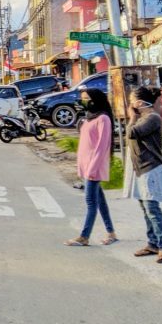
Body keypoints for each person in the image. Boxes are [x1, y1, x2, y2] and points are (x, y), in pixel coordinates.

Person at [123, 87, 162, 263]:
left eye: (132, 101)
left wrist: (131, 117)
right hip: (140, 169)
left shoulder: (152, 118)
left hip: (151, 167)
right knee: (145, 209)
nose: (130, 104)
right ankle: (152, 243)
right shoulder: (143, 118)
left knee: (152, 209)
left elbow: (131, 133)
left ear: (140, 102)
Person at [65, 88, 118, 246]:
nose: (83, 101)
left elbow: (102, 147)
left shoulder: (103, 119)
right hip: (86, 166)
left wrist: (92, 170)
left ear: (95, 99)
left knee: (90, 202)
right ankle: (111, 233)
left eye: (86, 98)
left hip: (93, 168)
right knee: (100, 201)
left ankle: (84, 236)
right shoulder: (89, 118)